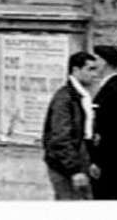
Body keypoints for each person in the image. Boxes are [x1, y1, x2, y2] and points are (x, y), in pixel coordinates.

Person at [43, 51, 98, 200]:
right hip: (64, 166)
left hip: (78, 160)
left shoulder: (80, 96)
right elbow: (61, 137)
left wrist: (90, 162)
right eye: (90, 69)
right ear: (75, 70)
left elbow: (84, 134)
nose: (95, 75)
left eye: (96, 69)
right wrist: (74, 170)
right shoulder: (65, 98)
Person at [90, 45, 117, 199]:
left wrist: (98, 161)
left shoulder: (115, 90)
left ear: (105, 63)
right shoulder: (112, 87)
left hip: (111, 161)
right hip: (113, 159)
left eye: (96, 59)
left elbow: (111, 131)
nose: (93, 63)